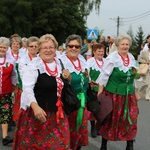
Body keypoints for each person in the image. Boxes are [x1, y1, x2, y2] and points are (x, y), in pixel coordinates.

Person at [13, 34, 71, 149]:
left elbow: (63, 84)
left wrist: (68, 78)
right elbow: (27, 89)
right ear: (39, 49)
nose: (48, 50)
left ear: (55, 49)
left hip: (58, 113)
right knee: (36, 146)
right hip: (38, 114)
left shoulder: (60, 63)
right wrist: (35, 107)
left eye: (51, 47)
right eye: (45, 47)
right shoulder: (34, 66)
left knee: (61, 145)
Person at [97, 34, 139, 150]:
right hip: (114, 94)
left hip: (128, 95)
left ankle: (129, 145)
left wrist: (135, 91)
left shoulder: (131, 58)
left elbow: (132, 77)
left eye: (127, 44)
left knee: (130, 118)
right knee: (110, 119)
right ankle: (104, 144)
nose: (125, 46)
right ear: (118, 45)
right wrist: (100, 95)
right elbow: (104, 76)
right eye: (123, 44)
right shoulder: (112, 58)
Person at [59, 34, 89, 150]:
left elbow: (86, 79)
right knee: (65, 134)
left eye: (77, 46)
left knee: (78, 135)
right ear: (66, 47)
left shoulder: (83, 61)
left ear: (80, 48)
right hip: (67, 104)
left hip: (81, 104)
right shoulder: (60, 62)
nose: (74, 49)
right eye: (71, 46)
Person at [12, 36, 39, 123]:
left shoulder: (40, 59)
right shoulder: (22, 60)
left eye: (36, 46)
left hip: (38, 89)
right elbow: (23, 76)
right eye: (31, 46)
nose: (34, 48)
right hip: (24, 88)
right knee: (24, 114)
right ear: (27, 47)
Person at [0, 37, 18, 146]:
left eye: (4, 47)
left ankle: (5, 137)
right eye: (0, 47)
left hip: (5, 91)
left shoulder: (11, 60)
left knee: (5, 113)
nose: (2, 49)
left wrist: (14, 86)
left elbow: (14, 75)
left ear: (7, 48)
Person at [87, 43, 105, 138]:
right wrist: (90, 81)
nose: (101, 53)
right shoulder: (90, 62)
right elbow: (86, 73)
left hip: (103, 90)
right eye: (99, 51)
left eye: (102, 51)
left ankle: (99, 127)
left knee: (102, 110)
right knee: (94, 109)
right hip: (93, 89)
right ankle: (93, 127)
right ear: (94, 52)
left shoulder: (106, 62)